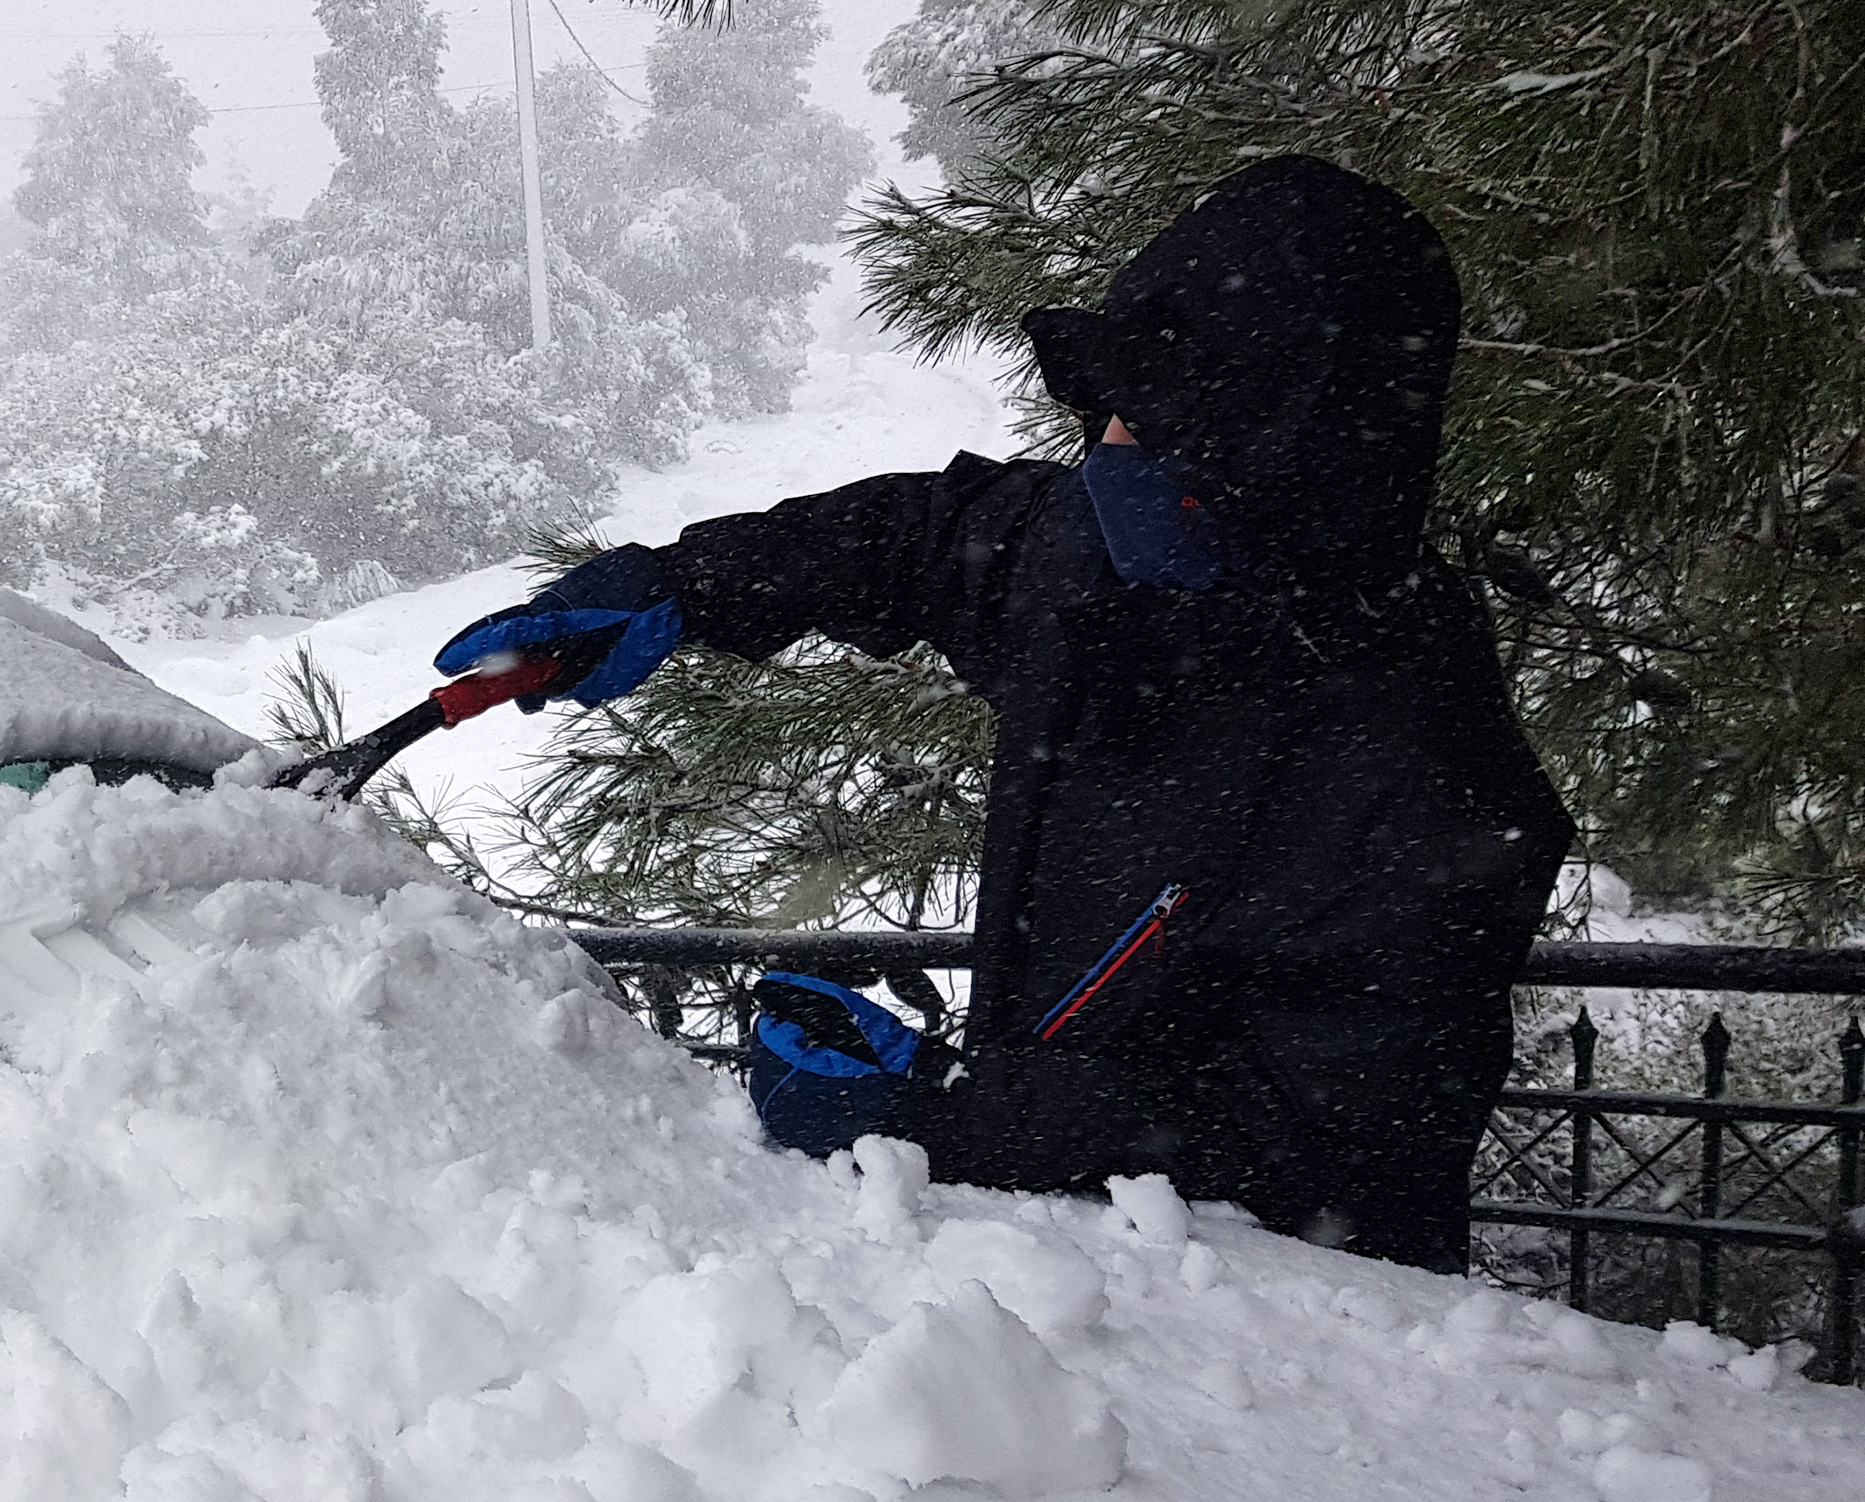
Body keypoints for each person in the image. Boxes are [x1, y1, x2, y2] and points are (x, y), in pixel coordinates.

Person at [439, 155, 1571, 1271]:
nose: (1111, 450)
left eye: (1162, 422)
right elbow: (913, 536)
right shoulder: (1108, 576)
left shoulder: (1431, 773)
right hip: (1048, 1281)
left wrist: (948, 1111)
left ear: (1295, 460)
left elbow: (1320, 1156)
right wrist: (682, 585)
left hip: (1292, 1361)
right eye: (1114, 409)